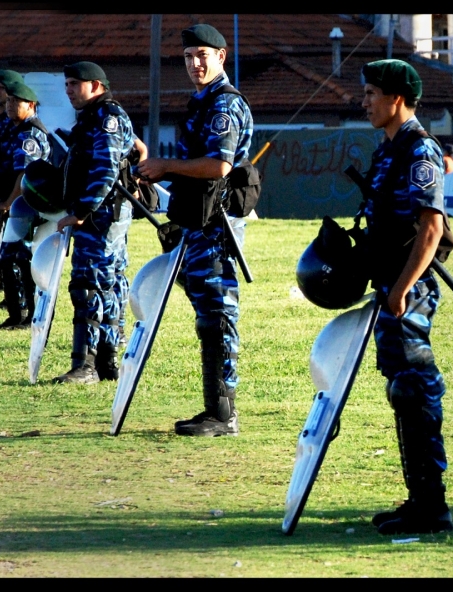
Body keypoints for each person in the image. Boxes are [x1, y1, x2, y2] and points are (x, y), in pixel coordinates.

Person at [136, 23, 253, 437]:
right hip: (197, 226)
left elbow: (219, 166)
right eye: (188, 56)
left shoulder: (224, 105)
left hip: (216, 229)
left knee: (219, 316)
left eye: (202, 55)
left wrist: (165, 166)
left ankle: (224, 415)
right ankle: (214, 409)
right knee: (207, 317)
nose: (194, 63)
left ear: (221, 57)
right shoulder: (202, 102)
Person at [359, 59, 453, 535]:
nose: (365, 101)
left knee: (414, 389)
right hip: (391, 288)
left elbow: (431, 227)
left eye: (373, 93)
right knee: (401, 391)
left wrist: (400, 290)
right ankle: (418, 498)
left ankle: (432, 507)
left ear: (397, 99)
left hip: (409, 291)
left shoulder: (419, 151)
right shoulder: (387, 149)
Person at [51, 61, 137, 383]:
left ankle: (85, 365)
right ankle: (108, 363)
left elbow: (104, 170)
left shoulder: (107, 117)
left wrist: (81, 212)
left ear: (97, 86)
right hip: (104, 215)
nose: (69, 89)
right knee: (109, 285)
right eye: (67, 84)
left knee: (89, 286)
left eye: (76, 83)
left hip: (99, 218)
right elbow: (135, 150)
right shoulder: (95, 116)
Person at [0, 80, 52, 330]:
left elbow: (24, 175)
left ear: (31, 105)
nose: (10, 106)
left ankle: (29, 315)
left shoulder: (30, 134)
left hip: (26, 206)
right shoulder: (14, 130)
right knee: (8, 259)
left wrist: (7, 202)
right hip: (16, 206)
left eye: (17, 102)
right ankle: (17, 315)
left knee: (23, 259)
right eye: (9, 101)